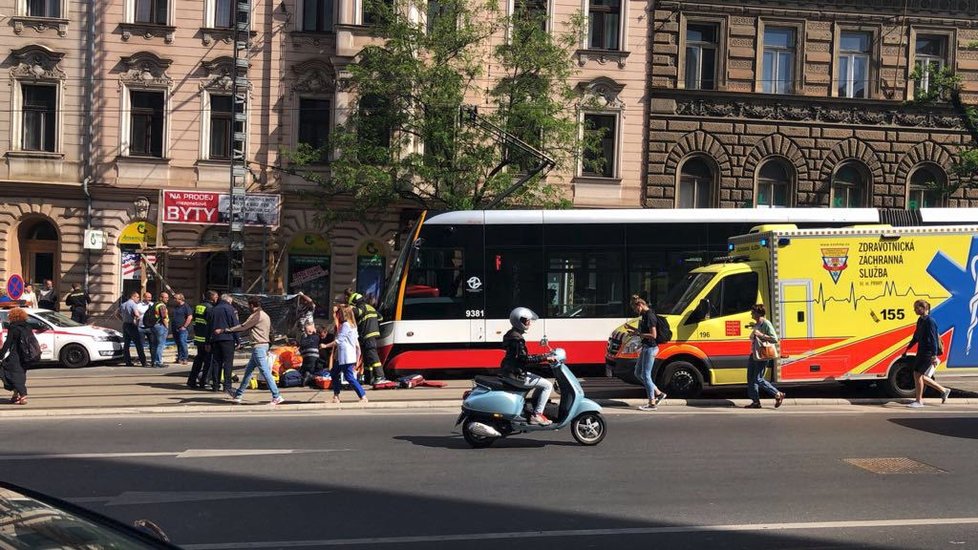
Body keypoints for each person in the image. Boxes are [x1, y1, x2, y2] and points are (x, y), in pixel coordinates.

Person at [220, 297, 283, 405]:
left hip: (259, 346)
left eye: (249, 306)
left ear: (252, 305)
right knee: (248, 372)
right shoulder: (265, 315)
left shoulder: (256, 315)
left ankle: (276, 396)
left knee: (265, 372)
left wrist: (226, 330)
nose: (248, 308)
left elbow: (243, 326)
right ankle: (238, 395)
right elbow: (270, 332)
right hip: (261, 345)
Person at [500, 307, 555, 426]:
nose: (529, 323)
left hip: (511, 371)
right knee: (547, 385)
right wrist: (545, 358)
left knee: (541, 383)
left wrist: (543, 356)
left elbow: (522, 357)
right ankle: (537, 414)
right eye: (526, 320)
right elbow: (524, 359)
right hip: (516, 375)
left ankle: (534, 409)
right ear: (519, 321)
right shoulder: (517, 339)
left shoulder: (511, 334)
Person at [903, 299, 951, 408]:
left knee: (917, 374)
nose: (914, 310)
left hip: (928, 352)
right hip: (922, 351)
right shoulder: (920, 320)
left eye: (916, 307)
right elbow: (916, 336)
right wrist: (907, 348)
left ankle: (919, 401)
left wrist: (934, 356)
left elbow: (934, 339)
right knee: (920, 376)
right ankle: (943, 390)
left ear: (924, 308)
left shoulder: (930, 321)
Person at [629, 296, 668, 411]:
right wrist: (634, 331)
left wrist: (640, 335)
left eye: (636, 309)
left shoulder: (650, 315)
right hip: (646, 347)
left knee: (646, 375)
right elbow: (644, 332)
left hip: (651, 348)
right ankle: (658, 393)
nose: (636, 312)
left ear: (639, 305)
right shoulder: (645, 316)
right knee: (637, 373)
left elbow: (653, 335)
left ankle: (652, 403)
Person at [745, 303, 785, 409]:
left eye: (753, 312)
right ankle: (755, 402)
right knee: (750, 378)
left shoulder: (766, 323)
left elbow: (774, 338)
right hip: (754, 354)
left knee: (758, 379)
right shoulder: (757, 323)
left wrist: (761, 335)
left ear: (758, 313)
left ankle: (777, 393)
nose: (751, 314)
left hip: (762, 355)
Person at [328, 305, 367, 404]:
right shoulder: (353, 325)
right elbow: (356, 341)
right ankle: (336, 396)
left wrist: (325, 346)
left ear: (344, 314)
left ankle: (363, 396)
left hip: (346, 356)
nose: (339, 315)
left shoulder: (346, 325)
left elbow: (339, 341)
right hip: (345, 356)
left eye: (340, 313)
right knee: (334, 372)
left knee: (349, 376)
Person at [346, 289, 386, 384]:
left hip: (367, 334)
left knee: (372, 356)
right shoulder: (370, 307)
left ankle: (380, 376)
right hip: (371, 335)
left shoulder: (361, 307)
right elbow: (380, 318)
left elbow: (358, 312)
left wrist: (350, 308)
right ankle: (369, 377)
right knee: (367, 358)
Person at [0, 308, 36, 405]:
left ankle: (23, 396)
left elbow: (8, 342)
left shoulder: (13, 327)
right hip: (26, 355)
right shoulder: (27, 325)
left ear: (13, 317)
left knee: (9, 372)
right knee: (20, 374)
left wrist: (1, 354)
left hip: (15, 354)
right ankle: (15, 395)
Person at [207, 294, 239, 393]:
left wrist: (207, 342)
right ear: (229, 301)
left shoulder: (213, 309)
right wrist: (238, 340)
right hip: (228, 339)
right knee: (228, 363)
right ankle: (227, 386)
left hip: (215, 339)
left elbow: (208, 327)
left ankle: (215, 386)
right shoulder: (230, 309)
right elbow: (235, 325)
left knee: (216, 363)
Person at [187, 291, 217, 389]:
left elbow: (195, 322)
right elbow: (210, 326)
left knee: (198, 360)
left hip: (199, 337)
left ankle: (191, 380)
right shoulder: (210, 309)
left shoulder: (198, 307)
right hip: (207, 339)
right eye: (216, 297)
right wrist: (209, 341)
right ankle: (204, 382)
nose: (217, 299)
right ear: (212, 298)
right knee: (208, 361)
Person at [118, 291, 147, 368]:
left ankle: (128, 361)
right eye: (137, 297)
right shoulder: (133, 304)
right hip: (131, 325)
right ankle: (143, 362)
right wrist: (137, 321)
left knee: (126, 344)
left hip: (125, 325)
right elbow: (137, 315)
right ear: (133, 297)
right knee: (138, 344)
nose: (138, 299)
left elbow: (117, 314)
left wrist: (123, 319)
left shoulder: (123, 304)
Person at [143, 291, 169, 368]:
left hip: (153, 326)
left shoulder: (155, 304)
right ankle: (158, 362)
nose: (167, 299)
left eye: (168, 297)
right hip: (160, 326)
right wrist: (166, 327)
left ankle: (154, 361)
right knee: (160, 345)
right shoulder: (162, 306)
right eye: (166, 297)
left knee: (154, 345)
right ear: (161, 298)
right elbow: (164, 318)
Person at [170, 293, 193, 365]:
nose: (174, 300)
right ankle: (179, 358)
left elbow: (190, 317)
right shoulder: (176, 307)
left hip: (182, 328)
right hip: (175, 328)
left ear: (180, 299)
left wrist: (184, 326)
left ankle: (185, 358)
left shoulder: (186, 306)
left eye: (175, 298)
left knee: (183, 343)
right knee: (178, 343)